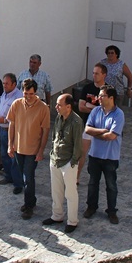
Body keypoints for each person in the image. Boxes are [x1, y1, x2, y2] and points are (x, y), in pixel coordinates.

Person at [7, 79, 51, 220]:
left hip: (33, 150)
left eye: (31, 94)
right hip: (19, 148)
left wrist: (41, 151)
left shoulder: (43, 108)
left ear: (36, 92)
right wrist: (10, 144)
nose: (28, 96)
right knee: (23, 176)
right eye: (26, 93)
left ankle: (28, 206)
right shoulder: (16, 104)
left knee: (28, 178)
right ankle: (31, 200)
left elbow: (45, 131)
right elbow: (11, 126)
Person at [83, 85, 125, 224]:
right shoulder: (95, 111)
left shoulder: (119, 114)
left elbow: (112, 136)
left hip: (110, 157)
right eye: (99, 96)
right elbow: (88, 129)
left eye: (102, 96)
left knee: (111, 185)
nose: (98, 98)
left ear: (111, 98)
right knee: (92, 183)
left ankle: (112, 211)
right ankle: (91, 207)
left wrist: (98, 133)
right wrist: (102, 131)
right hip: (95, 155)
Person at [43, 94, 82, 233]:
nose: (56, 107)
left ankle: (72, 221)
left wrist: (73, 162)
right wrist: (52, 154)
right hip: (55, 160)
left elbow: (78, 145)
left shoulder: (76, 122)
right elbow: (54, 136)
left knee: (70, 193)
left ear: (68, 107)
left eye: (59, 105)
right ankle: (57, 216)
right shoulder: (59, 117)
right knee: (56, 191)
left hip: (68, 162)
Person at [75, 63, 107, 183]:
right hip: (88, 125)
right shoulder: (87, 88)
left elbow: (108, 110)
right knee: (82, 152)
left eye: (97, 73)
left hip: (102, 127)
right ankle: (76, 177)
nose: (94, 75)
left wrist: (90, 105)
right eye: (93, 73)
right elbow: (81, 107)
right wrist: (96, 108)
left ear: (104, 75)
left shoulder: (108, 90)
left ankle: (96, 178)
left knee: (98, 155)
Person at [0, 73, 23, 193]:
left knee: (14, 158)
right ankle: (8, 177)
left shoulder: (19, 97)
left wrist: (5, 120)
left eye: (7, 83)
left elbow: (19, 116)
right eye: (3, 83)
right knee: (5, 155)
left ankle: (18, 184)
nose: (4, 85)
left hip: (13, 131)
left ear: (14, 84)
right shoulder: (4, 94)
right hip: (2, 130)